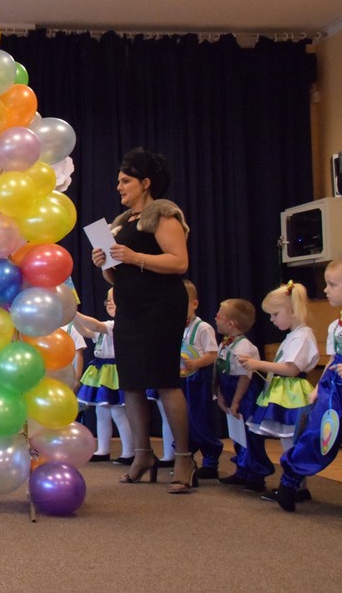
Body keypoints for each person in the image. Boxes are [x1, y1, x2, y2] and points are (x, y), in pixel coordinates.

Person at [90, 147, 193, 493]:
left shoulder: (163, 214)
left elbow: (179, 262)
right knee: (131, 382)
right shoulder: (120, 223)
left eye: (126, 181)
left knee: (165, 381)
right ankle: (142, 454)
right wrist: (104, 263)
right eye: (119, 181)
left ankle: (184, 458)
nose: (119, 187)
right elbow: (115, 275)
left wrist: (135, 256)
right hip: (130, 307)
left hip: (161, 305)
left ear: (145, 183)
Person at [266, 260, 342, 511]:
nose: (326, 290)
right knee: (316, 434)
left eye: (332, 284)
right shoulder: (335, 326)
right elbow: (333, 359)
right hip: (334, 388)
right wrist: (319, 387)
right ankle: (290, 482)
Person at [237, 281, 318, 494]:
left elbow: (291, 369)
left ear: (292, 310)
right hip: (285, 392)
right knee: (288, 440)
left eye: (275, 314)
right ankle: (294, 485)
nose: (272, 320)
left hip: (292, 394)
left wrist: (259, 364)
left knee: (292, 440)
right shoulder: (294, 335)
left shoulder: (303, 335)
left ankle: (295, 486)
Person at [73, 289, 134, 464]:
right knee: (101, 411)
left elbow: (95, 326)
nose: (110, 302)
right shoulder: (106, 324)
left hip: (114, 370)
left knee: (118, 412)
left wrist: (74, 312)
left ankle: (129, 452)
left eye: (115, 299)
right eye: (108, 299)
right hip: (102, 369)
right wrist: (72, 317)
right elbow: (87, 331)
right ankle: (103, 449)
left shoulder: (118, 324)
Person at [211, 298, 261, 486]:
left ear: (231, 324)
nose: (215, 318)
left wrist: (236, 401)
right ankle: (242, 469)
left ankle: (256, 474)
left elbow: (244, 378)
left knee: (249, 435)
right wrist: (220, 395)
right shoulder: (225, 344)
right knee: (237, 433)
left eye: (219, 315)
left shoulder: (243, 347)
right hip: (229, 390)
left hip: (243, 394)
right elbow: (219, 371)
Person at [179, 280, 221, 479]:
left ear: (194, 304)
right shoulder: (176, 326)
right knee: (183, 420)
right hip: (182, 381)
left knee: (200, 419)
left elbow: (213, 354)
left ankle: (210, 461)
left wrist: (196, 363)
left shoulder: (203, 328)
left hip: (198, 380)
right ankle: (186, 459)